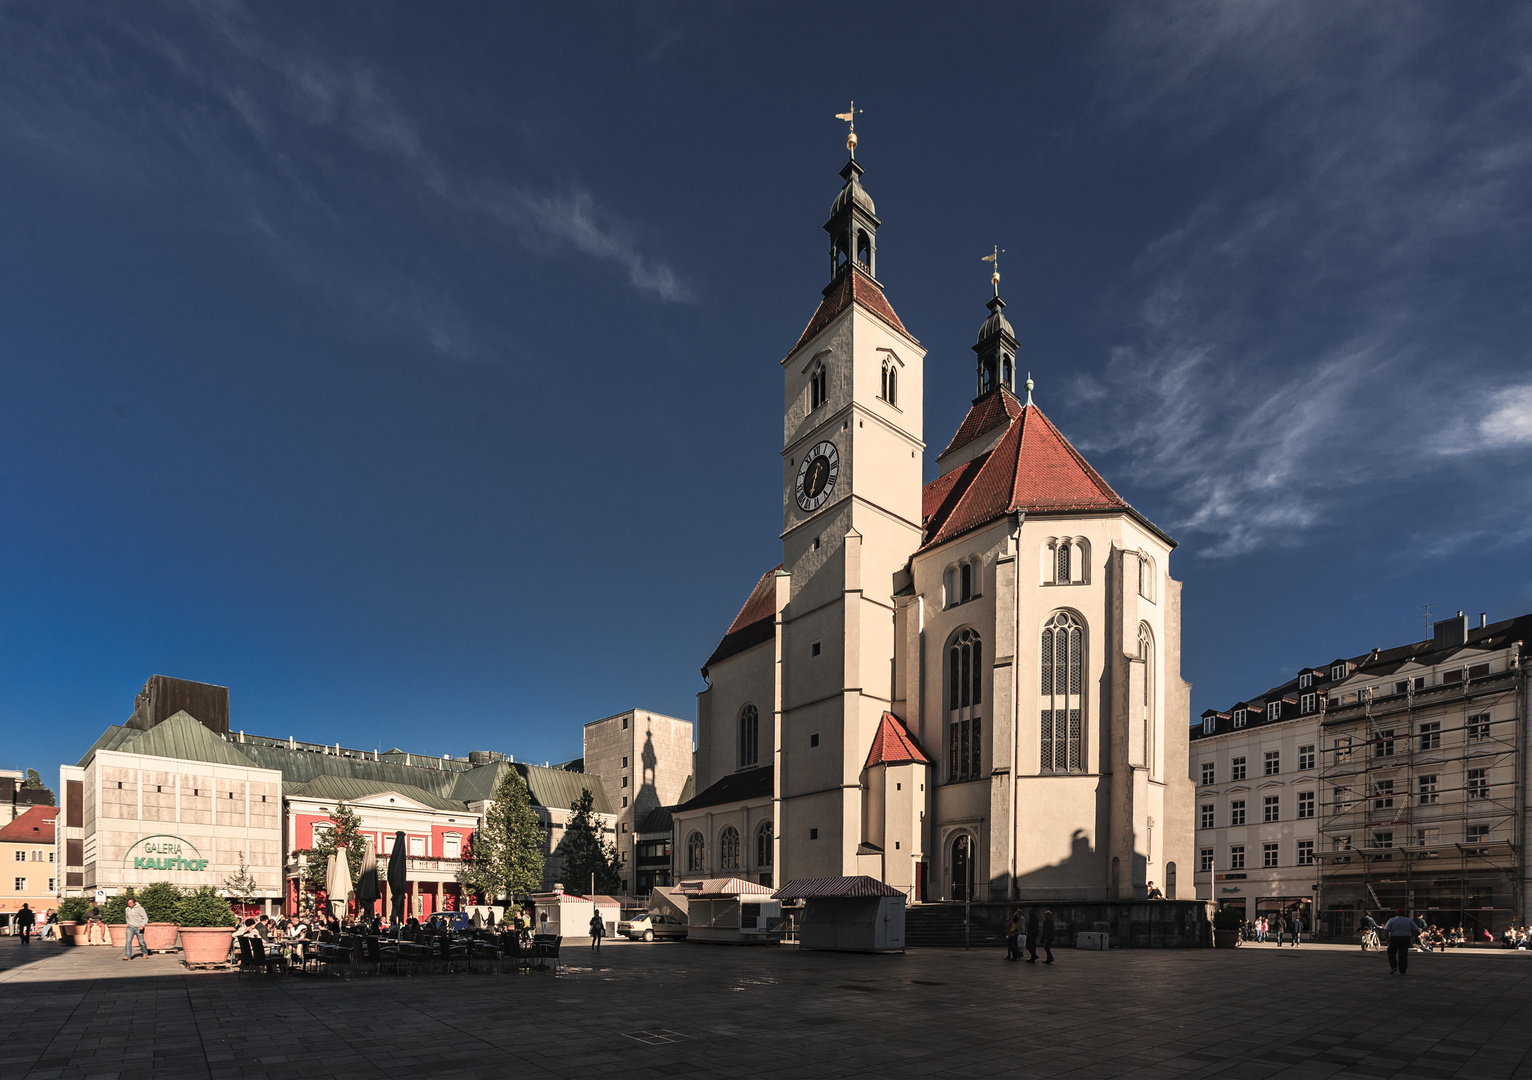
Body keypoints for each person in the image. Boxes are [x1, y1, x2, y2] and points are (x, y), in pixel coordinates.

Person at [1384, 909, 1417, 975]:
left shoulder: (1391, 920)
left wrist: (1387, 938)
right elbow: (1415, 930)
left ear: (1396, 914)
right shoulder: (1409, 920)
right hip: (1405, 938)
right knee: (1403, 954)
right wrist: (1415, 938)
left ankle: (1393, 966)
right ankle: (1402, 969)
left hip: (1394, 938)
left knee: (1391, 952)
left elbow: (1386, 930)